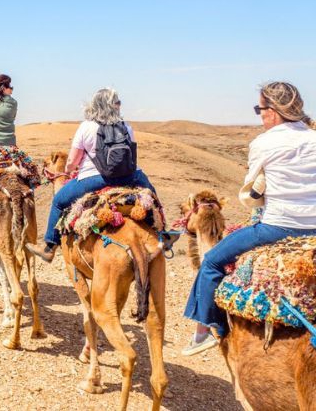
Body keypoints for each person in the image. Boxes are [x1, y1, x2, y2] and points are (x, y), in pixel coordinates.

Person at [182, 81, 316, 356]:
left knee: (211, 262)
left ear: (274, 112)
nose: (259, 115)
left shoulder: (264, 143)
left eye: (259, 108)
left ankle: (207, 330)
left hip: (277, 226)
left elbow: (250, 193)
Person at [26, 88, 156, 263]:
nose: (120, 105)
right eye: (118, 102)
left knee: (58, 202)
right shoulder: (126, 127)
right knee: (151, 195)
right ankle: (163, 235)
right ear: (113, 105)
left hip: (95, 179)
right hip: (129, 176)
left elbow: (72, 161)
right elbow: (131, 156)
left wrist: (72, 170)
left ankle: (49, 246)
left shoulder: (86, 127)